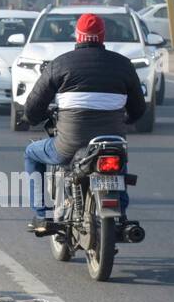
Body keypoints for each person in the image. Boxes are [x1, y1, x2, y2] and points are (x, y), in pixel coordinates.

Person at [22, 12, 147, 234]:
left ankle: (43, 214)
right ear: (103, 36)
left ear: (77, 36)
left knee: (32, 153)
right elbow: (138, 110)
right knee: (118, 165)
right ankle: (121, 215)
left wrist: (34, 118)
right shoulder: (124, 65)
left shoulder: (60, 64)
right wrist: (123, 121)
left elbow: (32, 109)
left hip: (69, 147)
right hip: (112, 144)